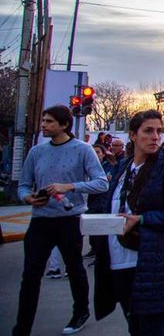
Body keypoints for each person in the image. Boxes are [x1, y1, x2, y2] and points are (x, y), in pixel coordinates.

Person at [93, 110, 164, 336]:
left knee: (149, 329)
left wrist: (143, 219)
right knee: (134, 326)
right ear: (133, 135)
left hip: (150, 263)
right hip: (118, 261)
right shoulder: (123, 167)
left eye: (159, 131)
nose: (156, 137)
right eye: (148, 131)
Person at [13, 105, 109, 336]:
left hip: (69, 219)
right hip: (41, 220)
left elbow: (101, 183)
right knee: (31, 275)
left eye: (49, 122)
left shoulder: (82, 150)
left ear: (64, 125)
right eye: (43, 121)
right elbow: (24, 184)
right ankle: (22, 326)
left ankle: (80, 311)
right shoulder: (37, 152)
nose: (44, 125)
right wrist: (28, 197)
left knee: (75, 268)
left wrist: (70, 186)